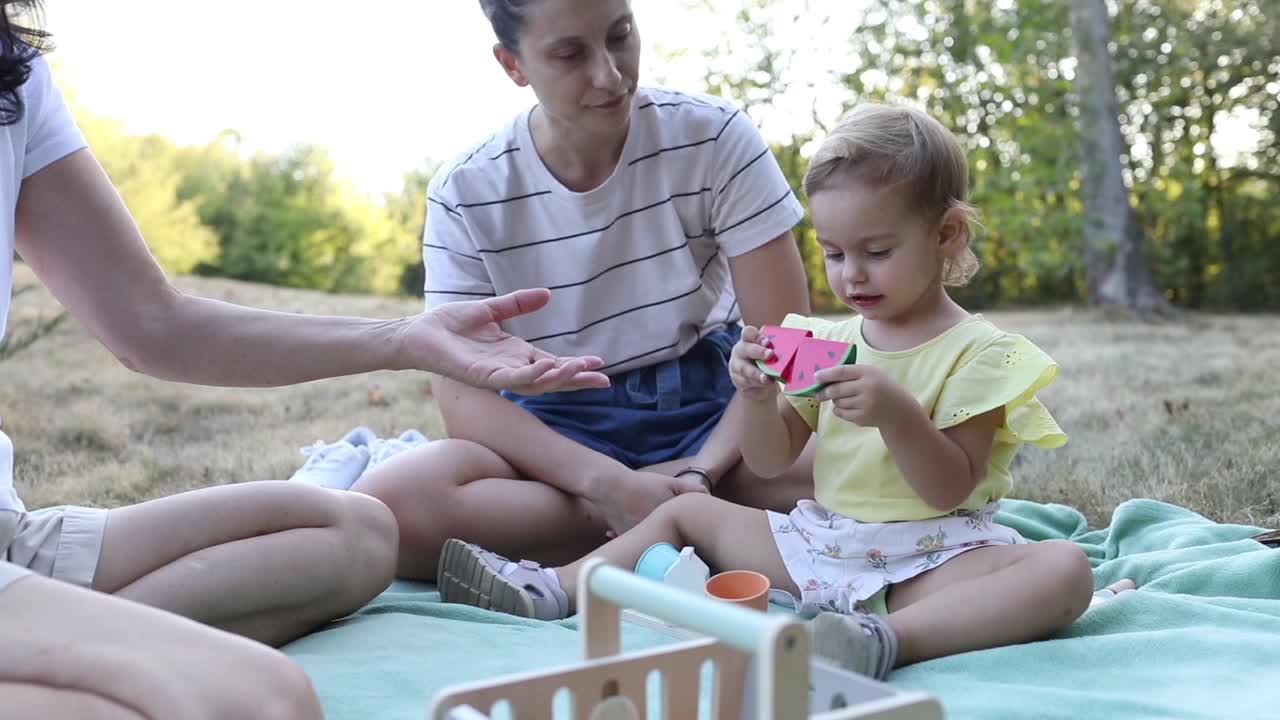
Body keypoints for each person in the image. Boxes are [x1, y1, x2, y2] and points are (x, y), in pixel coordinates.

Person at [0, 2, 609, 717]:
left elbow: (153, 324)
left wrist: (403, 340)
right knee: (263, 698)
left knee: (355, 532)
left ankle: (70, 648)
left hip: (16, 540)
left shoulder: (18, 75)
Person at [434, 102, 1104, 680]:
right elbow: (770, 461)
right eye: (836, 254)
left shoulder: (981, 354)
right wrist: (756, 399)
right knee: (687, 514)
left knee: (1065, 570)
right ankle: (552, 589)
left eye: (876, 251)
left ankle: (885, 641)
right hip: (826, 547)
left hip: (934, 556)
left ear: (946, 234)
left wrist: (898, 414)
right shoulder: (823, 338)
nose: (852, 277)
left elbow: (948, 489)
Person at [353, 0, 813, 579]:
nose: (610, 75)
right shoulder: (467, 189)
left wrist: (703, 469)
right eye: (570, 54)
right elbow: (462, 394)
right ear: (513, 65)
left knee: (870, 457)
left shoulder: (715, 136)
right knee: (394, 507)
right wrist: (604, 483)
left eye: (620, 36)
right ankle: (693, 522)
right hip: (555, 436)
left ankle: (663, 515)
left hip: (716, 413)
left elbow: (789, 344)